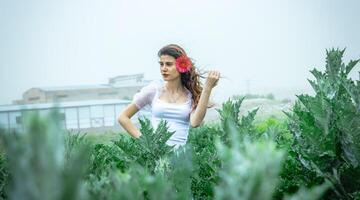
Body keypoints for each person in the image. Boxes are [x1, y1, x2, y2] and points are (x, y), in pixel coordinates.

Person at [118, 44, 220, 147]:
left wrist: (207, 87)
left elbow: (195, 123)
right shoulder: (154, 91)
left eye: (169, 64)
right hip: (156, 157)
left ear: (181, 66)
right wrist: (146, 142)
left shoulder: (190, 95)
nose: (163, 68)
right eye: (161, 64)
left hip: (179, 158)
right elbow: (123, 117)